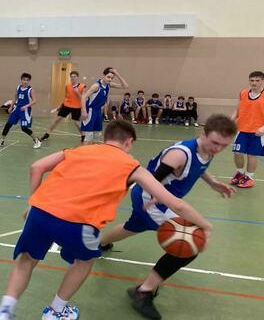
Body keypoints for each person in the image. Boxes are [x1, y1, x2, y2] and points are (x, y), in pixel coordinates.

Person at [0, 120, 213, 320]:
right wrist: (205, 225)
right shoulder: (132, 166)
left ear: (107, 138)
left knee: (26, 261)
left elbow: (36, 167)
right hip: (79, 222)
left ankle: (4, 311)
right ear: (129, 142)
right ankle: (56, 312)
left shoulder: (79, 150)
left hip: (40, 212)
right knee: (84, 261)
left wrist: (32, 202)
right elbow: (176, 204)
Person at [98, 114, 237, 319]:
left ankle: (100, 244)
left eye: (223, 145)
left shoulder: (206, 150)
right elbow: (156, 183)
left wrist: (213, 182)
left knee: (133, 226)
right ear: (203, 134)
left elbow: (199, 167)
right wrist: (206, 226)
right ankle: (143, 291)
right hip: (152, 199)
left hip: (159, 199)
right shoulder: (179, 154)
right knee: (189, 245)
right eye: (215, 143)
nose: (218, 148)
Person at [230, 71, 264, 189]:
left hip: (259, 131)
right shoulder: (243, 93)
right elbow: (238, 110)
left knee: (252, 155)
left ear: (262, 81)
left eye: (257, 80)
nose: (254, 83)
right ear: (249, 80)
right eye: (252, 80)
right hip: (242, 129)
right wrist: (229, 121)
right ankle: (240, 173)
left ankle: (249, 178)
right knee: (237, 152)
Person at [0, 73, 41, 149]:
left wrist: (26, 106)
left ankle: (36, 140)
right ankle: (1, 141)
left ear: (29, 81)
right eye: (24, 80)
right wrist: (11, 107)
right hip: (17, 109)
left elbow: (35, 101)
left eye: (27, 80)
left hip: (25, 111)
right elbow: (15, 97)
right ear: (21, 80)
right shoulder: (18, 87)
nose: (25, 81)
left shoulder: (30, 90)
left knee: (24, 128)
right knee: (8, 124)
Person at [80, 67, 129, 144]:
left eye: (112, 78)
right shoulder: (96, 86)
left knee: (97, 135)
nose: (110, 79)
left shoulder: (109, 84)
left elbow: (125, 86)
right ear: (103, 76)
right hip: (90, 111)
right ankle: (84, 151)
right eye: (108, 77)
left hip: (98, 111)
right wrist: (83, 111)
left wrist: (117, 74)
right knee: (89, 136)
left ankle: (94, 150)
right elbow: (84, 96)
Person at [41, 70, 85, 142]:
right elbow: (66, 97)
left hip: (76, 107)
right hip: (66, 106)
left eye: (74, 76)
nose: (73, 78)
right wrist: (61, 105)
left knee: (77, 123)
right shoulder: (67, 85)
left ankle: (83, 135)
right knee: (56, 120)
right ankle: (47, 134)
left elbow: (83, 99)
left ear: (77, 77)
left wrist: (77, 92)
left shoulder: (82, 86)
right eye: (71, 77)